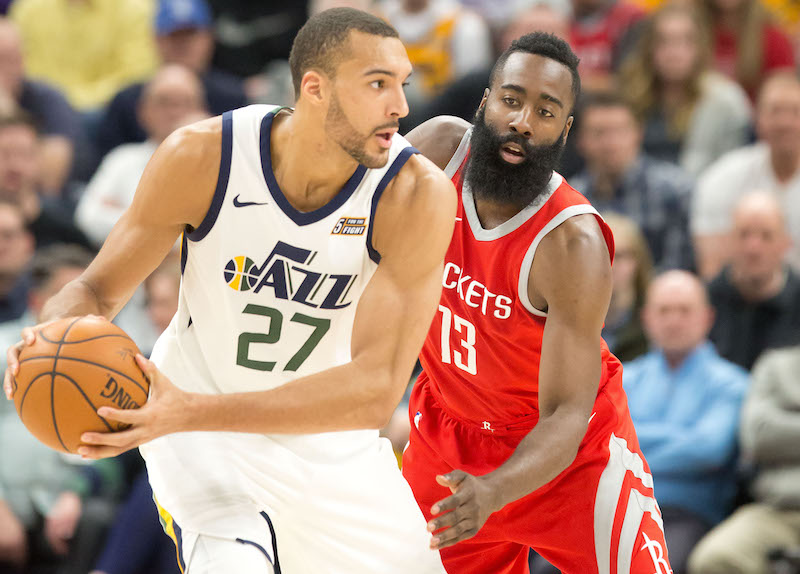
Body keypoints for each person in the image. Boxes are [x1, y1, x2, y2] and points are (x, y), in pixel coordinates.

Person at [5, 8, 455, 574]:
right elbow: (96, 287)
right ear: (315, 88)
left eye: (402, 84)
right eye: (378, 84)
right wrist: (50, 336)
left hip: (324, 440)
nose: (401, 107)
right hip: (198, 430)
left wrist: (191, 411)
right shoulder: (204, 156)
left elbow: (374, 392)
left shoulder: (413, 194)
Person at [402, 32, 672, 574]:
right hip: (448, 433)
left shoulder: (573, 243)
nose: (523, 122)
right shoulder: (435, 154)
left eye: (545, 112)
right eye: (511, 100)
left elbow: (568, 413)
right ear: (485, 102)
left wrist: (494, 490)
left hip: (569, 455)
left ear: (565, 130)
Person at [624, 270, 748, 574]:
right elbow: (598, 442)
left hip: (686, 513)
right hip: (618, 507)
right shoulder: (623, 378)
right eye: (664, 310)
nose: (674, 321)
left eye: (684, 310)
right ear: (646, 318)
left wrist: (631, 443)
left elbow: (708, 450)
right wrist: (682, 436)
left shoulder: (731, 383)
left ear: (707, 317)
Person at [687, 341, 800, 574]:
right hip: (778, 510)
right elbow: (757, 435)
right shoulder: (777, 365)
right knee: (716, 558)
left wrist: (785, 429)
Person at [618, 3, 751, 177]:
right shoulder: (629, 97)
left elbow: (735, 171)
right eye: (664, 42)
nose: (674, 52)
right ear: (649, 48)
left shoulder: (725, 102)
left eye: (685, 41)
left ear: (700, 47)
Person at [692, 72, 800, 279]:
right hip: (740, 295)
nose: (785, 123)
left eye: (795, 112)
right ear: (757, 118)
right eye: (775, 111)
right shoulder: (721, 179)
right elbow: (712, 270)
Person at [571, 92, 694, 270]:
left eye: (620, 131)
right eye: (599, 133)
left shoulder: (675, 189)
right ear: (580, 141)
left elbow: (679, 267)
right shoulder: (570, 201)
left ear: (638, 133)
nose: (611, 143)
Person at [707, 191, 800, 371]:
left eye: (766, 236)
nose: (753, 248)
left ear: (785, 243)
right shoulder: (705, 301)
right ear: (728, 240)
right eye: (744, 235)